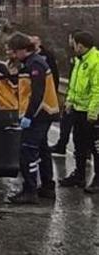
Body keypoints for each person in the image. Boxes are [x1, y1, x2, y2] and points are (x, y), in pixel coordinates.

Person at [7, 33, 59, 204]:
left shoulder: (35, 64)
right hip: (44, 113)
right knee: (43, 150)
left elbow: (37, 93)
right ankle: (47, 187)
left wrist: (28, 116)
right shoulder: (30, 63)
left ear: (23, 50)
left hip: (39, 114)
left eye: (14, 52)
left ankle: (30, 190)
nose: (12, 55)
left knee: (28, 151)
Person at [58, 31, 99, 194]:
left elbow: (97, 89)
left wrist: (93, 111)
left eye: (74, 44)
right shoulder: (80, 61)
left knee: (95, 148)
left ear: (80, 45)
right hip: (78, 110)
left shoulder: (95, 61)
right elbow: (75, 86)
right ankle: (79, 175)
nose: (72, 46)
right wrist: (70, 101)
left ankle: (97, 178)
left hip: (91, 113)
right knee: (79, 145)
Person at [50, 30, 81, 155]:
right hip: (72, 95)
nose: (69, 41)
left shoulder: (83, 58)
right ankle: (62, 145)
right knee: (66, 124)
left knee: (79, 129)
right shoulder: (73, 56)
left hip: (80, 99)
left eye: (70, 39)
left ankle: (84, 153)